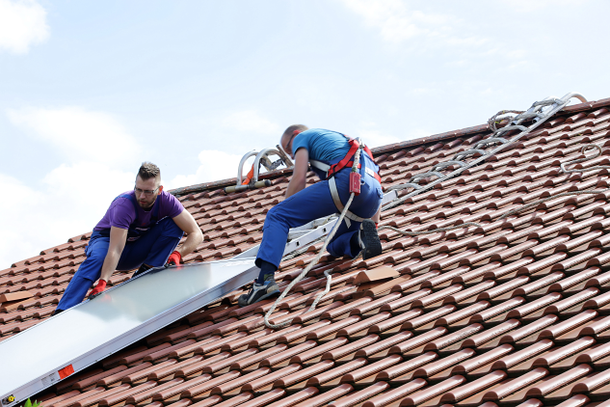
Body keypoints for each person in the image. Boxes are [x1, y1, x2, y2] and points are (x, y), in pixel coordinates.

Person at [238, 125, 383, 307]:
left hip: (346, 183)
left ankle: (264, 281)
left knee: (277, 215)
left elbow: (299, 178)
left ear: (295, 135)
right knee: (333, 246)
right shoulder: (348, 142)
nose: (292, 155)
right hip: (373, 196)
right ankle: (358, 239)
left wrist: (285, 211)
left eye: (290, 149)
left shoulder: (303, 137)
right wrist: (374, 227)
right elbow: (377, 185)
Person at [53, 162, 203, 314]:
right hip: (107, 243)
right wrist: (103, 281)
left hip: (135, 248)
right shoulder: (124, 205)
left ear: (159, 190)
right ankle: (64, 309)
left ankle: (146, 274)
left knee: (173, 224)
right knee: (98, 258)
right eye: (138, 190)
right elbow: (116, 249)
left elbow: (196, 233)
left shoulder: (167, 201)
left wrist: (178, 254)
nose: (142, 196)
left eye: (148, 192)